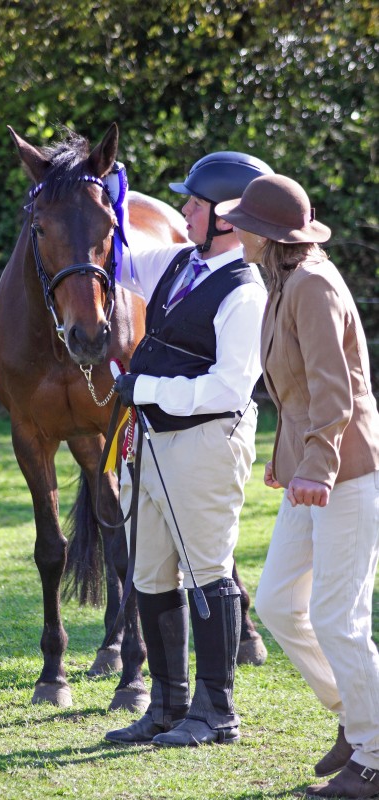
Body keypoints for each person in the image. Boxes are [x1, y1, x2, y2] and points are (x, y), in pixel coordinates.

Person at [216, 174, 379, 798]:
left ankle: (373, 751)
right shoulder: (282, 282)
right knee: (281, 604)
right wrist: (287, 458)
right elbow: (295, 389)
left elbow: (335, 390)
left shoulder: (312, 284)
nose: (234, 230)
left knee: (339, 617)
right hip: (311, 469)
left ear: (267, 235)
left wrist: (315, 464)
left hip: (346, 471)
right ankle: (359, 716)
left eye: (242, 224)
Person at [104, 151, 274, 747]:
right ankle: (169, 704)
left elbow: (229, 387)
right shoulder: (180, 261)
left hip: (206, 442)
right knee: (151, 572)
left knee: (207, 573)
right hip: (153, 441)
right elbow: (119, 261)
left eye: (196, 204)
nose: (184, 212)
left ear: (227, 216)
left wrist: (146, 388)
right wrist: (104, 199)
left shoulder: (246, 293)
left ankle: (217, 710)